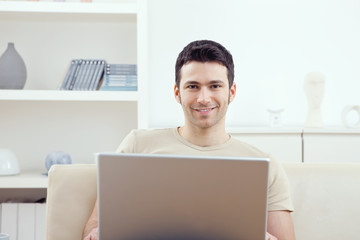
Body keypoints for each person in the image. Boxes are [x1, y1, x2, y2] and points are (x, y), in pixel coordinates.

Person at [83, 40, 296, 240]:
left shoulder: (264, 164)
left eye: (215, 86)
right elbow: (95, 224)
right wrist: (95, 233)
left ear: (231, 92)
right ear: (177, 92)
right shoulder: (137, 145)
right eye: (192, 86)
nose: (203, 98)